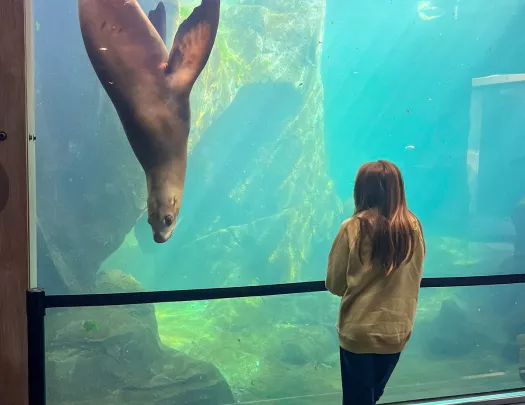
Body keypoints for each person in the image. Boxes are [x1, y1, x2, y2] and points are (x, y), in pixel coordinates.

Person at [325, 160, 426, 405]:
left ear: (361, 189)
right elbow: (415, 276)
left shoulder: (353, 227)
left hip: (358, 332)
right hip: (396, 330)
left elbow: (334, 284)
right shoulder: (413, 227)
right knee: (371, 397)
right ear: (397, 189)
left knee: (357, 400)